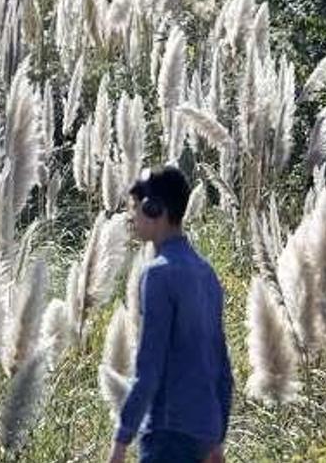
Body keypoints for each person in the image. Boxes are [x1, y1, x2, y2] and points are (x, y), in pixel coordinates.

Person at [108, 166, 232, 463]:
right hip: (205, 433)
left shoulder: (158, 274)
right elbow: (222, 369)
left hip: (168, 434)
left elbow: (148, 369)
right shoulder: (207, 274)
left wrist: (122, 439)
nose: (133, 218)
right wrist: (216, 438)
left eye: (136, 209)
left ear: (156, 209)